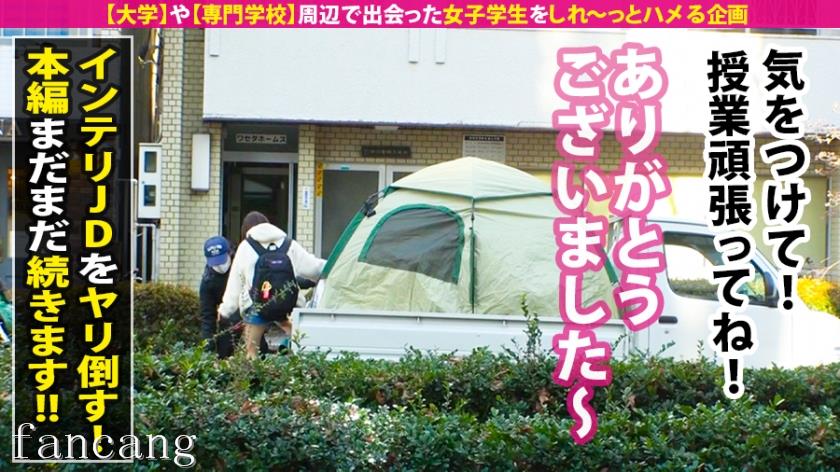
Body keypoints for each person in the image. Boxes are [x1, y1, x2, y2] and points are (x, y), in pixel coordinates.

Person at [218, 211, 325, 359]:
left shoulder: (245, 247)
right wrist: (335, 266)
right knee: (302, 345)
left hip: (257, 308)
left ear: (245, 229)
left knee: (251, 354)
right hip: (287, 306)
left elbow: (234, 286)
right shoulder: (289, 244)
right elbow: (314, 268)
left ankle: (254, 367)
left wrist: (225, 311)